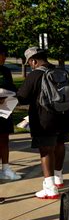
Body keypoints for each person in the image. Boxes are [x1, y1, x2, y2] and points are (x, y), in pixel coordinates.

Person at [16, 47, 69, 199]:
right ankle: (58, 179)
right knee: (60, 144)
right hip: (65, 116)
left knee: (46, 150)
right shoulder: (62, 72)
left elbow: (22, 98)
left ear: (33, 60)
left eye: (30, 62)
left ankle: (50, 188)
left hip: (45, 119)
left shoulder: (35, 75)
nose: (30, 65)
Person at [0, 41, 20, 180]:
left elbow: (12, 88)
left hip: (5, 108)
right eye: (2, 55)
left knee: (4, 139)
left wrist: (11, 95)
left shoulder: (5, 71)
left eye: (5, 55)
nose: (4, 58)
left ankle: (5, 169)